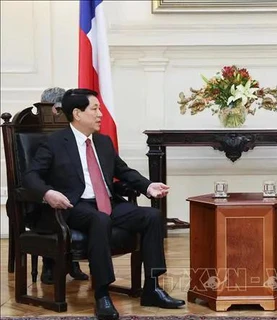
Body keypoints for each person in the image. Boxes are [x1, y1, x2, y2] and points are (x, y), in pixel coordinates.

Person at [24, 88, 185, 320]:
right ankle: (102, 294)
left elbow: (124, 171)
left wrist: (148, 187)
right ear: (77, 113)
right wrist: (48, 193)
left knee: (151, 216)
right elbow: (31, 176)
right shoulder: (55, 142)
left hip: (107, 202)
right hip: (74, 205)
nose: (100, 114)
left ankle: (152, 287)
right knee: (99, 219)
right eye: (95, 109)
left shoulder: (103, 141)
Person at [38, 87, 89, 284]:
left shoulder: (76, 131)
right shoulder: (40, 133)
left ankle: (73, 261)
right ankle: (49, 264)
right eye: (57, 109)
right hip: (42, 194)